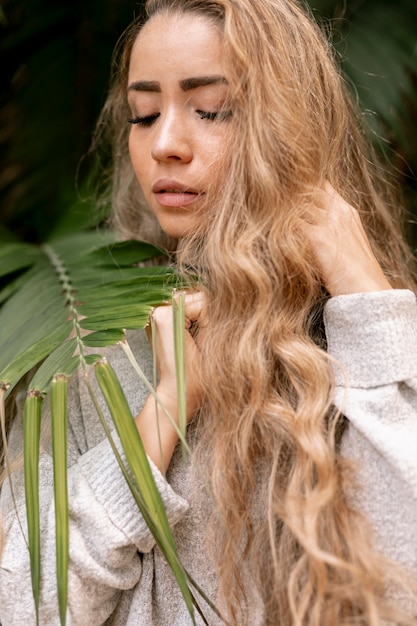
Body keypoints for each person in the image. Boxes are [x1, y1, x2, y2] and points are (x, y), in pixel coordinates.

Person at [1, 0, 417, 624]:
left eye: (212, 110)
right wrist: (163, 412)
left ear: (288, 129)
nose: (166, 143)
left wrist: (366, 301)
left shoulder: (364, 341)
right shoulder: (81, 346)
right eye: (144, 115)